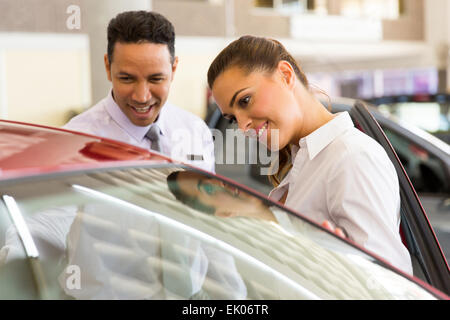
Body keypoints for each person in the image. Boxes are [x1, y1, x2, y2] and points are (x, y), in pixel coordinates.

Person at [206, 35, 412, 274]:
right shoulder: (302, 161)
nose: (242, 126)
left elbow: (388, 284)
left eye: (245, 100)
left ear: (285, 75)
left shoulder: (352, 157)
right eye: (232, 118)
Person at [63, 11, 215, 172]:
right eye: (127, 79)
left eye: (155, 79)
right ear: (108, 67)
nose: (142, 97)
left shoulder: (195, 130)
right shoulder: (75, 143)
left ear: (173, 69)